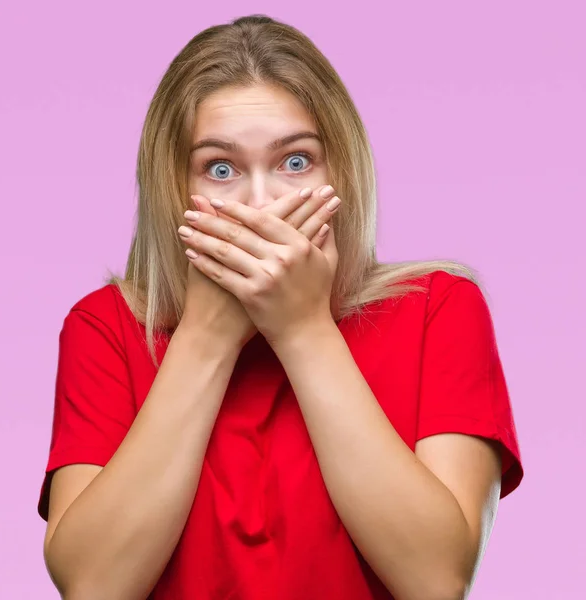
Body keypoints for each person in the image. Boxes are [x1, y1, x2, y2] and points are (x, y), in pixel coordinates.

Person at [37, 14, 524, 600]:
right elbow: (93, 586)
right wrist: (207, 337)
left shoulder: (440, 309)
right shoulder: (108, 328)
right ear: (174, 188)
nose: (262, 203)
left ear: (341, 168)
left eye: (296, 161)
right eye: (221, 169)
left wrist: (302, 328)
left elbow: (436, 580)